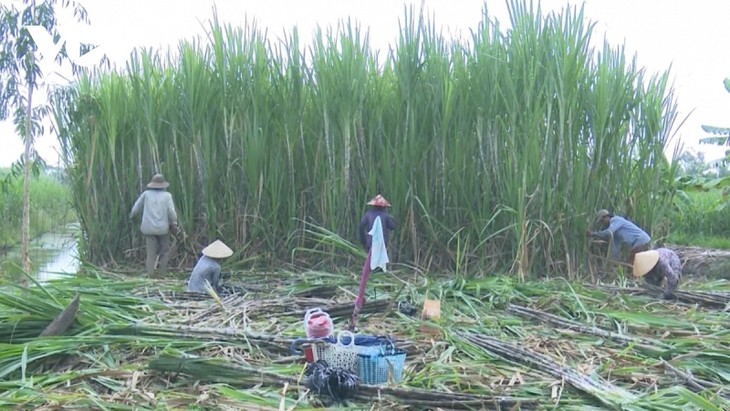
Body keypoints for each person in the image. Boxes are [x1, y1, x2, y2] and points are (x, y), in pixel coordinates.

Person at [130, 174, 178, 276]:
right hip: (162, 229)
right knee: (165, 252)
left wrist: (132, 216)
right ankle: (161, 273)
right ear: (163, 185)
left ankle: (150, 275)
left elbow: (136, 207)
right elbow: (171, 212)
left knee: (151, 253)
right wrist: (174, 222)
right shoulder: (167, 196)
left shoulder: (146, 194)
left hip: (148, 228)